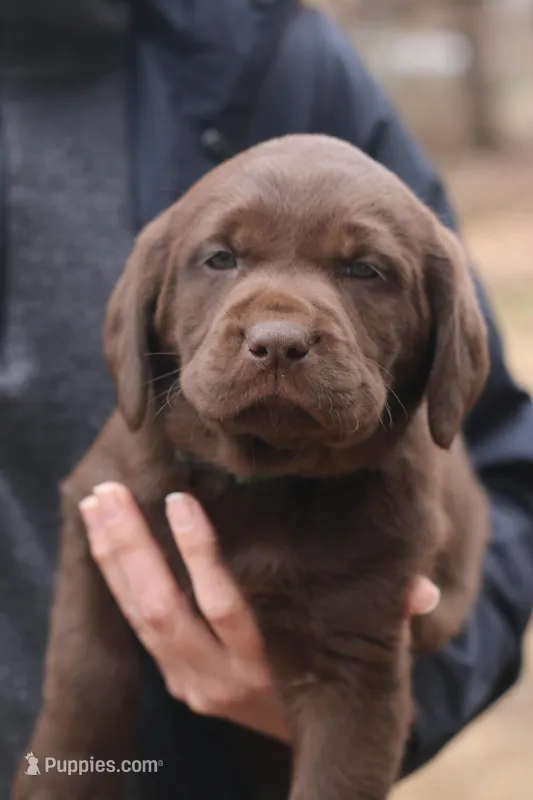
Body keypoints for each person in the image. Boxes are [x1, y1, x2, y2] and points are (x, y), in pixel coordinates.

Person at [1, 1, 532, 797]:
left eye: (362, 271)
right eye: (222, 260)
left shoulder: (279, 54)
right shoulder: (134, 451)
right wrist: (75, 765)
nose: (278, 330)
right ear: (142, 322)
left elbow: (502, 456)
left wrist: (391, 680)